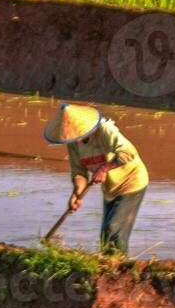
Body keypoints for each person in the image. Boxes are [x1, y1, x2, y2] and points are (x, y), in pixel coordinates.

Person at [44, 102, 149, 256]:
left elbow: (128, 152)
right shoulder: (73, 142)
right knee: (105, 236)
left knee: (114, 228)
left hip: (131, 181)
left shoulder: (105, 129)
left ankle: (119, 268)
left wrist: (104, 168)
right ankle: (107, 266)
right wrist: (76, 193)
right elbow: (79, 172)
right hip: (110, 188)